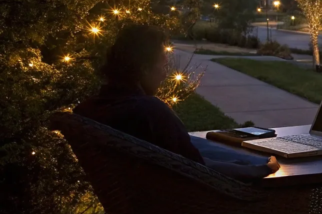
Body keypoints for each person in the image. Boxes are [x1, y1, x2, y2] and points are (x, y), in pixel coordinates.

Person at [75, 24, 278, 181]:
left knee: (205, 143)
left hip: (149, 201)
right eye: (162, 66)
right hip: (193, 207)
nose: (165, 75)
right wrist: (259, 169)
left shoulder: (90, 110)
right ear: (144, 68)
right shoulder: (149, 111)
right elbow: (196, 168)